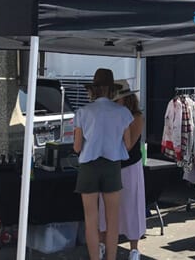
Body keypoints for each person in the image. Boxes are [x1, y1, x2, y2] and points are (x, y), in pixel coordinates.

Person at [73, 68, 133, 260]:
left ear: (93, 88)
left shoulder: (83, 112)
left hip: (88, 166)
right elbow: (128, 144)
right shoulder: (123, 112)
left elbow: (77, 147)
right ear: (112, 89)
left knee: (91, 219)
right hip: (112, 165)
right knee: (112, 219)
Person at [99, 82, 146, 260]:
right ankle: (102, 244)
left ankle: (134, 249)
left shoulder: (136, 117)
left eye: (115, 100)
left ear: (126, 99)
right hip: (110, 165)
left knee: (131, 205)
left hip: (129, 166)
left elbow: (129, 145)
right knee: (104, 206)